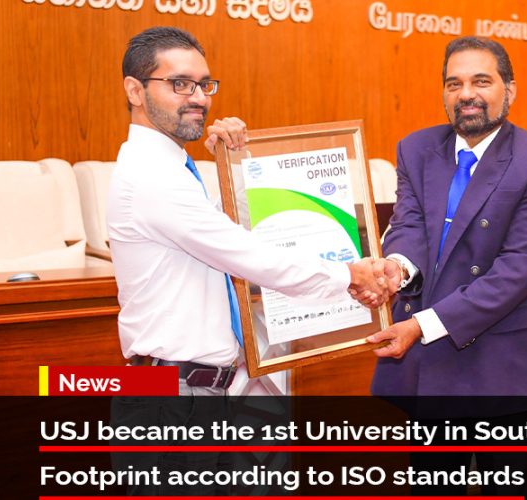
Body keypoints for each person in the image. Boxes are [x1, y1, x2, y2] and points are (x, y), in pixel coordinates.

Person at [109, 25, 392, 392]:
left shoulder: (171, 169)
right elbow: (248, 254)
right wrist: (349, 275)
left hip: (197, 389)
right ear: (135, 90)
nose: (199, 98)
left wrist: (234, 162)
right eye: (180, 84)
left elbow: (231, 229)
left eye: (204, 85)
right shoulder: (151, 176)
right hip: (173, 395)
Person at [365, 36, 527, 499]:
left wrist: (422, 325)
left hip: (500, 365)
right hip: (431, 365)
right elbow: (409, 225)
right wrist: (397, 268)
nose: (466, 94)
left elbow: (516, 271)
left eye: (481, 81)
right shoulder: (416, 149)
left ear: (509, 90)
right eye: (454, 83)